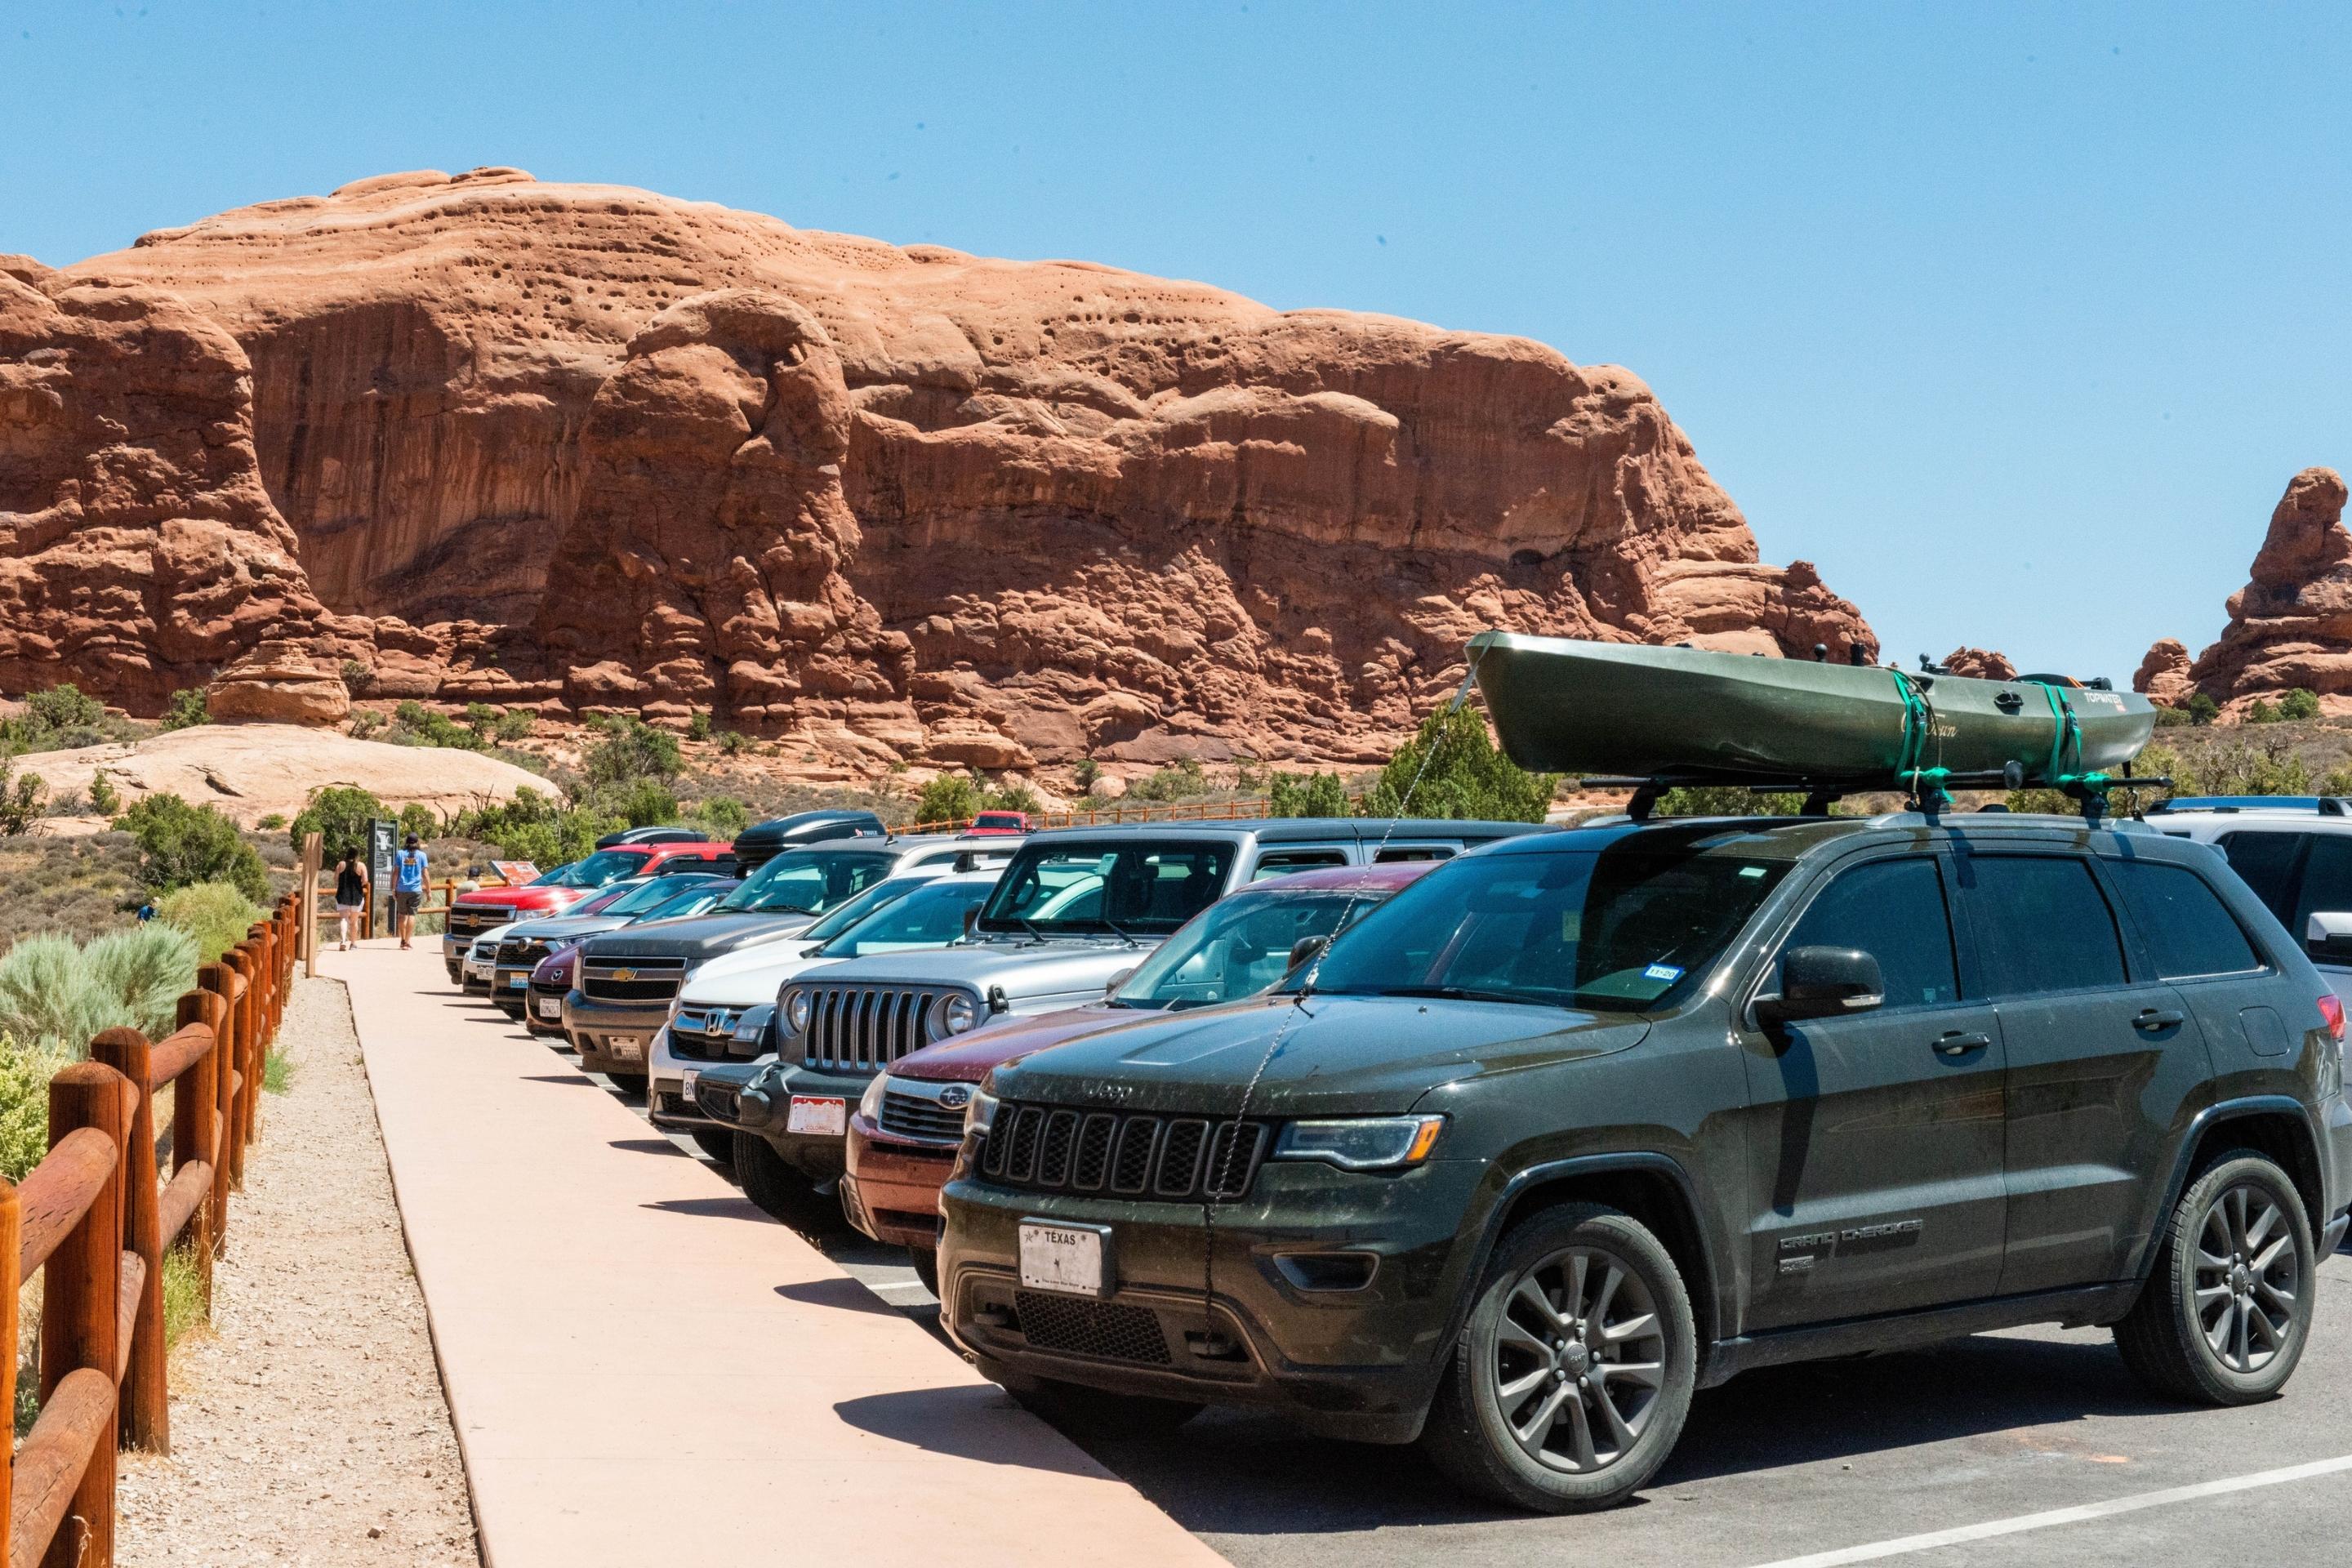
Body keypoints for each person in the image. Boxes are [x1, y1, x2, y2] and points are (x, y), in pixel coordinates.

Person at [394, 833, 428, 951]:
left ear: (406, 842)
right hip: (415, 889)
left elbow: (396, 872)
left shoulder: (400, 854)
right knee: (412, 915)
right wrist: (429, 891)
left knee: (401, 915)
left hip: (402, 888)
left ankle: (402, 940)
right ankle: (408, 941)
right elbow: (425, 874)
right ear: (417, 842)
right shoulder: (422, 855)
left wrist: (393, 888)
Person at [334, 849, 368, 951]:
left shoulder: (341, 864)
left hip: (342, 894)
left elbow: (335, 879)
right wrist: (358, 884)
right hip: (356, 895)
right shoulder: (361, 865)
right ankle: (353, 944)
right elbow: (365, 880)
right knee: (354, 921)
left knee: (343, 919)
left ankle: (343, 940)